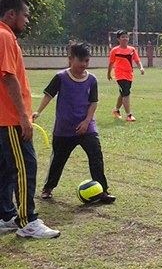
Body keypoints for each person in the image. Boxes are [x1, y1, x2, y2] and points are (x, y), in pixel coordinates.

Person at [0, 0, 59, 239]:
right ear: (11, 14)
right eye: (25, 16)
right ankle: (27, 222)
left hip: (5, 119)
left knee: (6, 169)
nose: (27, 21)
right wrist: (24, 117)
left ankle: (6, 216)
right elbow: (8, 77)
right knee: (25, 166)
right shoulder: (4, 36)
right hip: (11, 119)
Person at [33, 43, 116, 204]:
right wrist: (38, 111)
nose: (84, 64)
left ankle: (102, 191)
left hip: (86, 127)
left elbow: (93, 103)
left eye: (87, 61)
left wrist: (86, 122)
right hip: (64, 129)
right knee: (58, 160)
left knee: (96, 156)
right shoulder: (60, 77)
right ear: (71, 59)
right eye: (81, 60)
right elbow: (49, 95)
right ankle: (48, 188)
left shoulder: (91, 80)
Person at [106, 30, 145, 122]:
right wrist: (109, 73)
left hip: (129, 74)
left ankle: (116, 110)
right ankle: (129, 115)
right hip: (120, 75)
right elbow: (111, 63)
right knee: (126, 93)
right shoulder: (115, 50)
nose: (125, 39)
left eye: (126, 37)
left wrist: (141, 68)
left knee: (123, 93)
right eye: (123, 37)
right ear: (118, 39)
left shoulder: (132, 50)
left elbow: (137, 60)